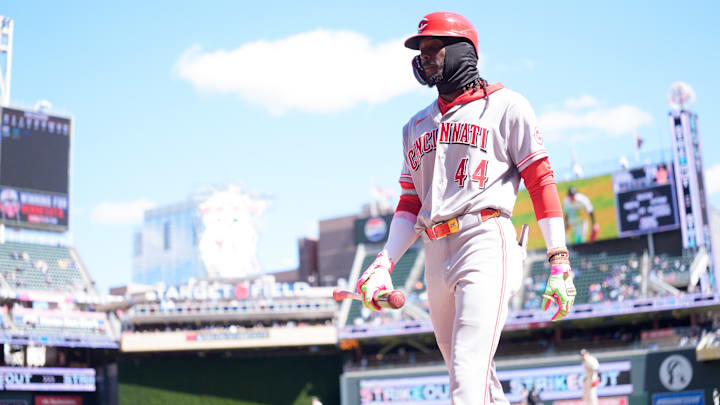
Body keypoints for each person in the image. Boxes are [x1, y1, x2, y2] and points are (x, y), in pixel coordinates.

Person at [355, 11, 576, 405]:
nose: (424, 57)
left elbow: (541, 181)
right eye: (421, 50)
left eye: (433, 47)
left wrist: (559, 258)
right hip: (435, 247)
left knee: (466, 375)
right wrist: (383, 263)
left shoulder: (507, 106)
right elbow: (410, 203)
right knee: (475, 378)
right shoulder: (414, 126)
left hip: (484, 237)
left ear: (463, 51)